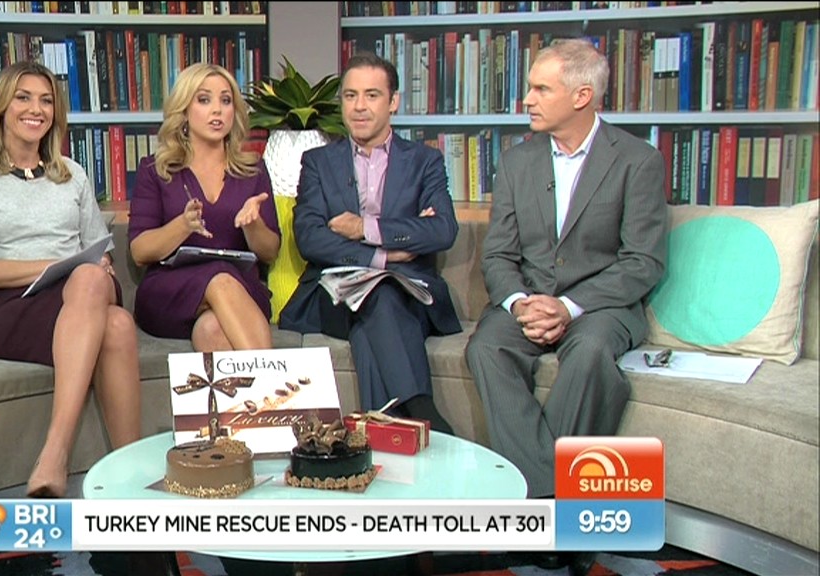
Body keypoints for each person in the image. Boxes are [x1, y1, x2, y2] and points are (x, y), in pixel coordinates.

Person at [466, 36, 666, 537]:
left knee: (592, 353)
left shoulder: (637, 160)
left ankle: (537, 511)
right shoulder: (517, 162)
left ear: (582, 96)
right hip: (529, 299)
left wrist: (569, 307)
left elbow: (643, 261)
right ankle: (553, 503)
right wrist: (519, 304)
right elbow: (498, 254)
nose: (527, 100)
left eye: (541, 89)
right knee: (486, 347)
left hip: (600, 305)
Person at [0, 61, 142, 499]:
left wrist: (93, 263)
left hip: (82, 291)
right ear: (1, 107)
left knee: (91, 280)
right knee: (116, 325)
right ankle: (114, 471)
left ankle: (63, 458)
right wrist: (58, 263)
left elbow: (100, 252)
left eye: (46, 100)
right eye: (24, 98)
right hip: (12, 306)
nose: (36, 109)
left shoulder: (71, 173)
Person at [278, 52, 461, 434]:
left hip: (409, 293)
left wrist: (366, 228)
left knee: (378, 307)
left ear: (393, 102)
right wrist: (386, 256)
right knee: (382, 296)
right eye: (350, 96)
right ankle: (423, 412)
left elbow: (442, 230)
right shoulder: (317, 161)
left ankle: (381, 433)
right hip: (334, 294)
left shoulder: (425, 160)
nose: (359, 106)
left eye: (372, 95)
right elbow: (310, 237)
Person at [128, 63, 280, 351]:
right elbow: (140, 252)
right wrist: (182, 226)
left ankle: (253, 383)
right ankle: (271, 379)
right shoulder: (155, 170)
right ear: (184, 110)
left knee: (213, 328)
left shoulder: (253, 170)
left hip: (240, 288)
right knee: (219, 280)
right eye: (204, 100)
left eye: (226, 100)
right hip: (171, 290)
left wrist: (253, 225)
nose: (217, 110)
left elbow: (269, 252)